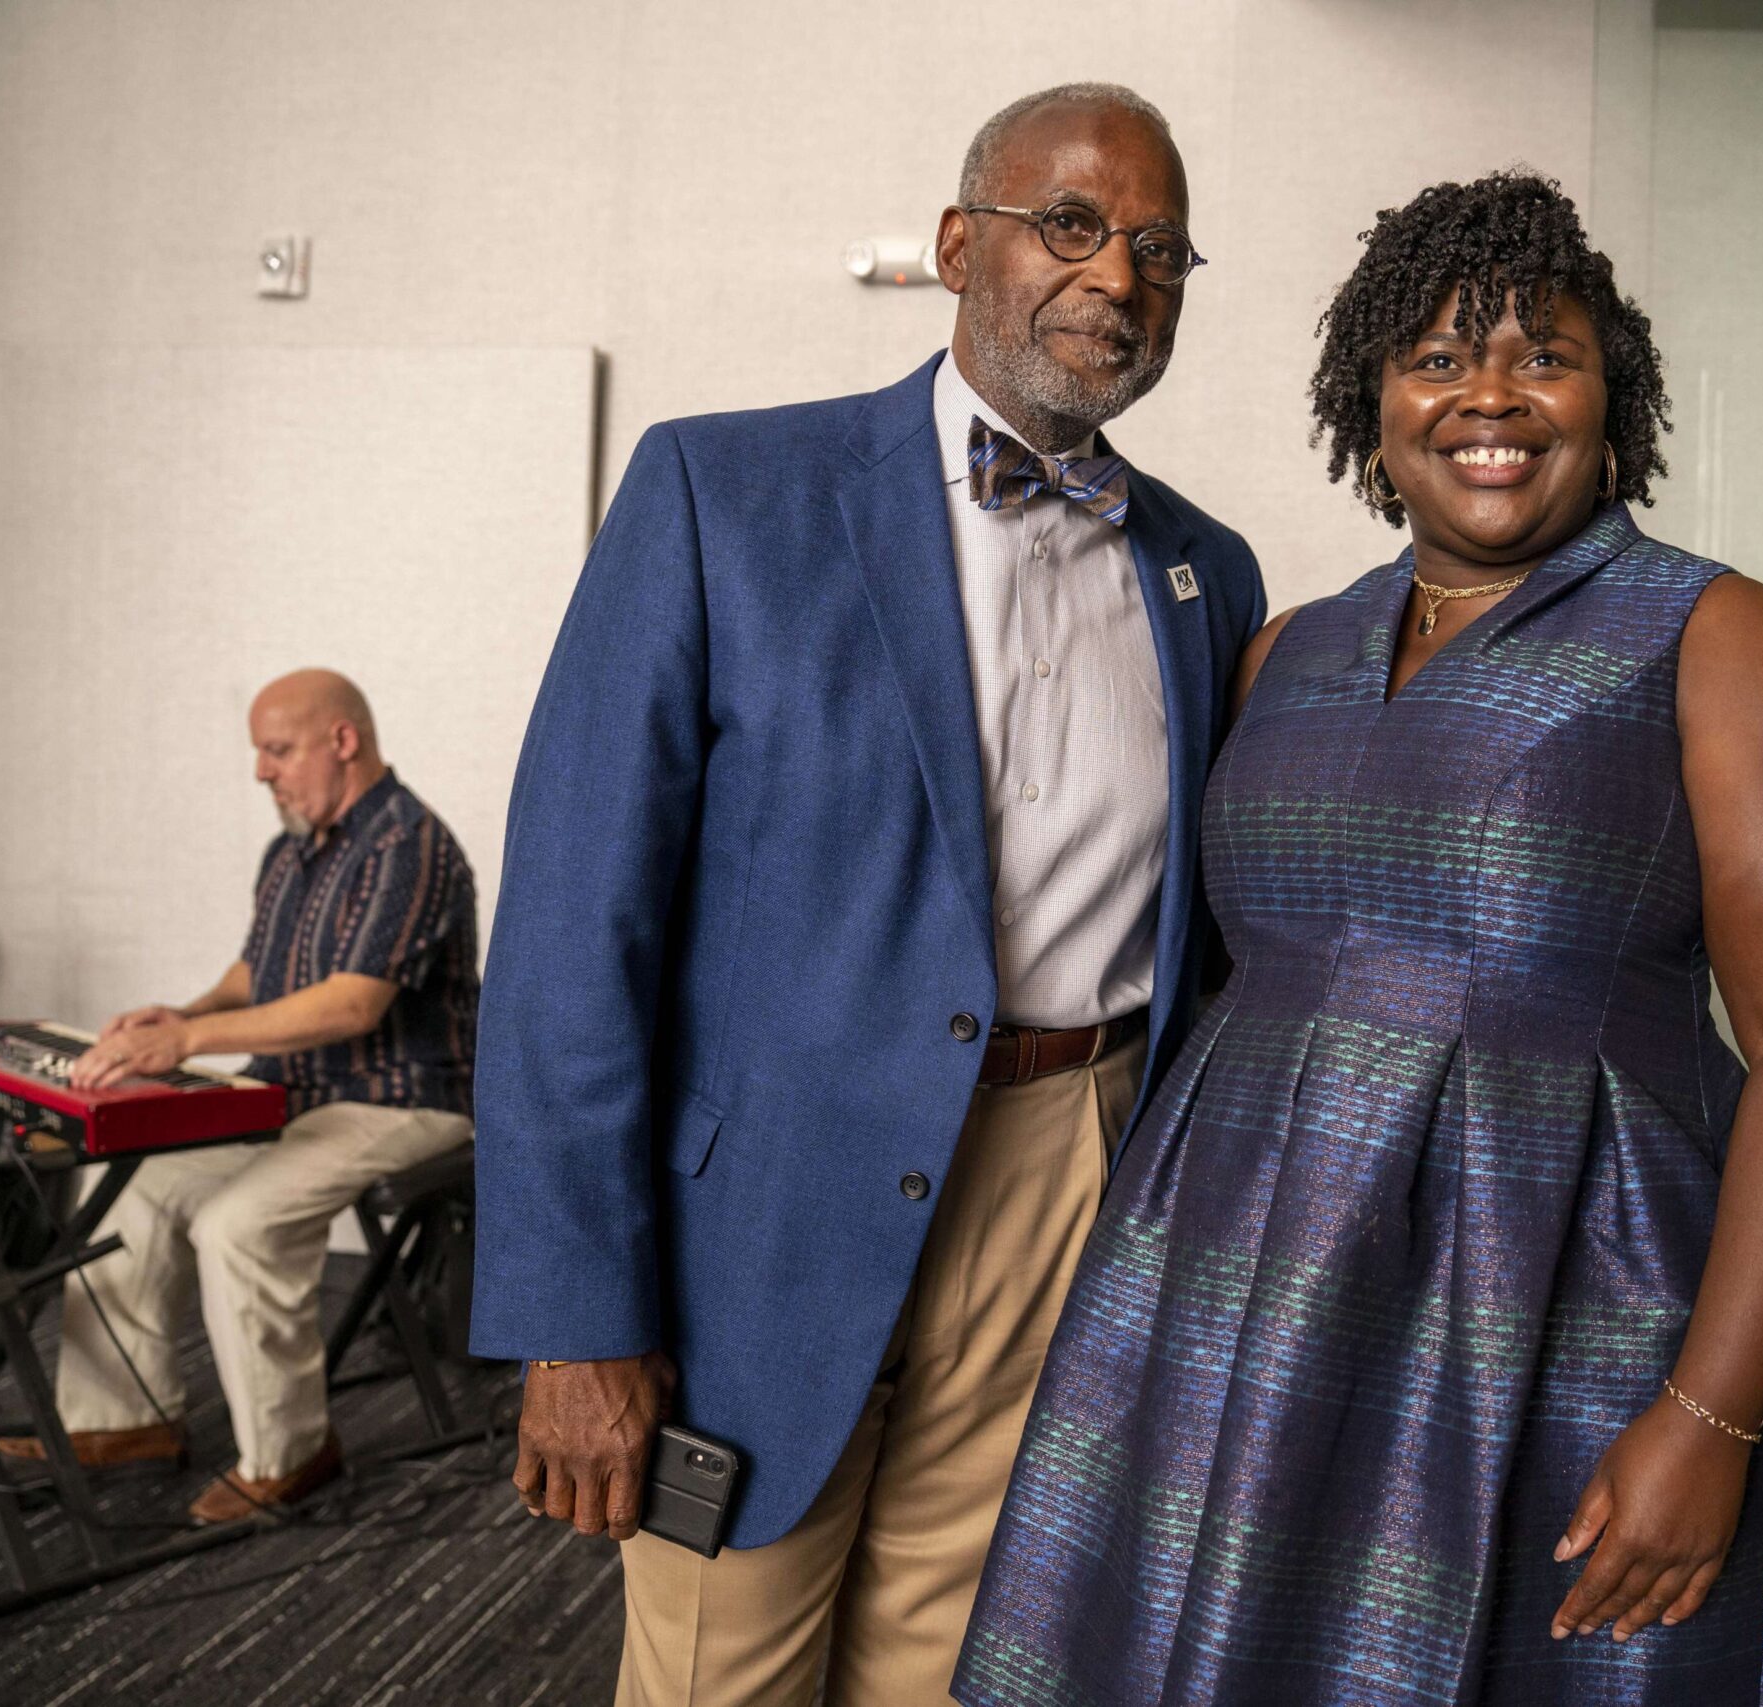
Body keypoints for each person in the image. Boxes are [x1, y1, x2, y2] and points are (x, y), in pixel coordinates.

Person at [957, 171, 1763, 1704]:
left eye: (1546, 353)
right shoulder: (1287, 646)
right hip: (1234, 1291)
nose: (1493, 395)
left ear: (1616, 395)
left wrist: (1711, 1413)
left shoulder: (1717, 637)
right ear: (1372, 400)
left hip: (1551, 1311)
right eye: (1439, 357)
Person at [471, 83, 1265, 1706]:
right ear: (957, 245)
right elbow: (573, 927)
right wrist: (575, 1315)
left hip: (1065, 1181)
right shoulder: (720, 495)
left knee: (951, 1665)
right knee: (721, 1673)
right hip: (760, 1213)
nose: (1118, 276)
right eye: (1071, 224)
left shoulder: (1206, 569)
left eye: (1161, 248)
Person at [0, 668, 478, 1524]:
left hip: (403, 1100)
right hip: (293, 1092)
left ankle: (291, 1457)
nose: (261, 770)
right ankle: (124, 1419)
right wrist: (186, 1010)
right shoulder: (291, 848)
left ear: (344, 740)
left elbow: (352, 1002)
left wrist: (186, 1043)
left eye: (277, 749)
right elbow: (259, 971)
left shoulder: (412, 843)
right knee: (131, 1183)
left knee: (237, 1223)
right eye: (259, 751)